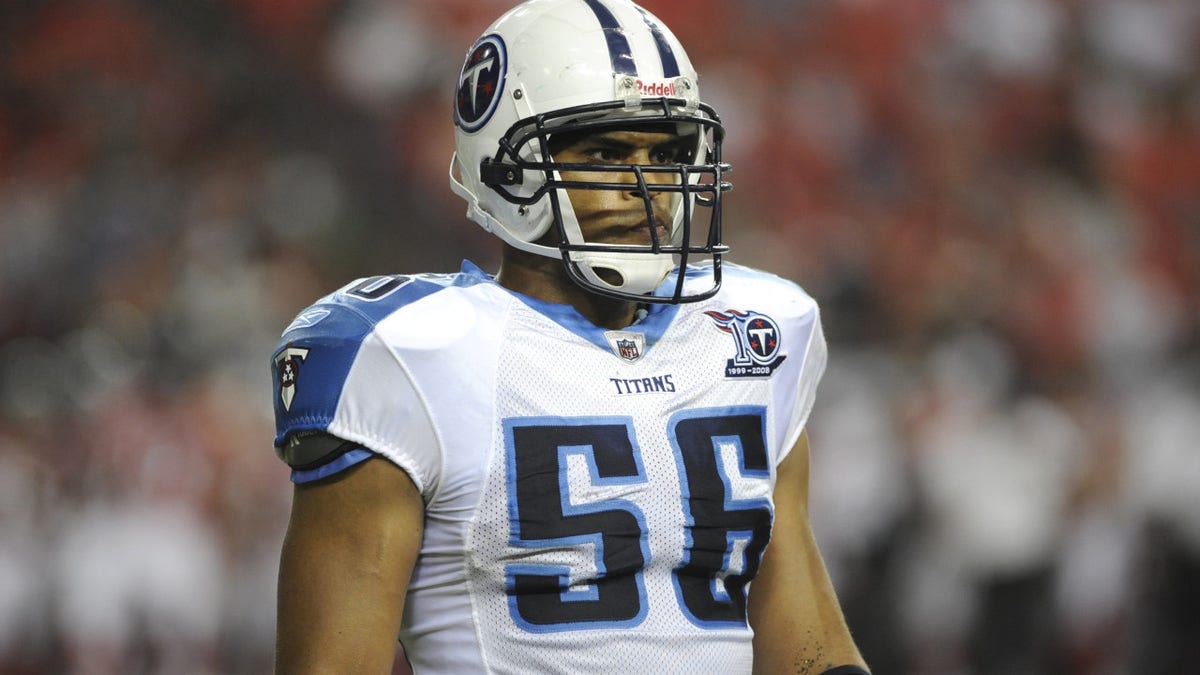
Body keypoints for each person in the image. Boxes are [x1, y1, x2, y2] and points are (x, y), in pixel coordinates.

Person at [270, 1, 868, 673]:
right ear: (506, 166)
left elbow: (806, 641)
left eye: (667, 153)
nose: (646, 188)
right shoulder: (408, 355)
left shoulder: (757, 334)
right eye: (606, 152)